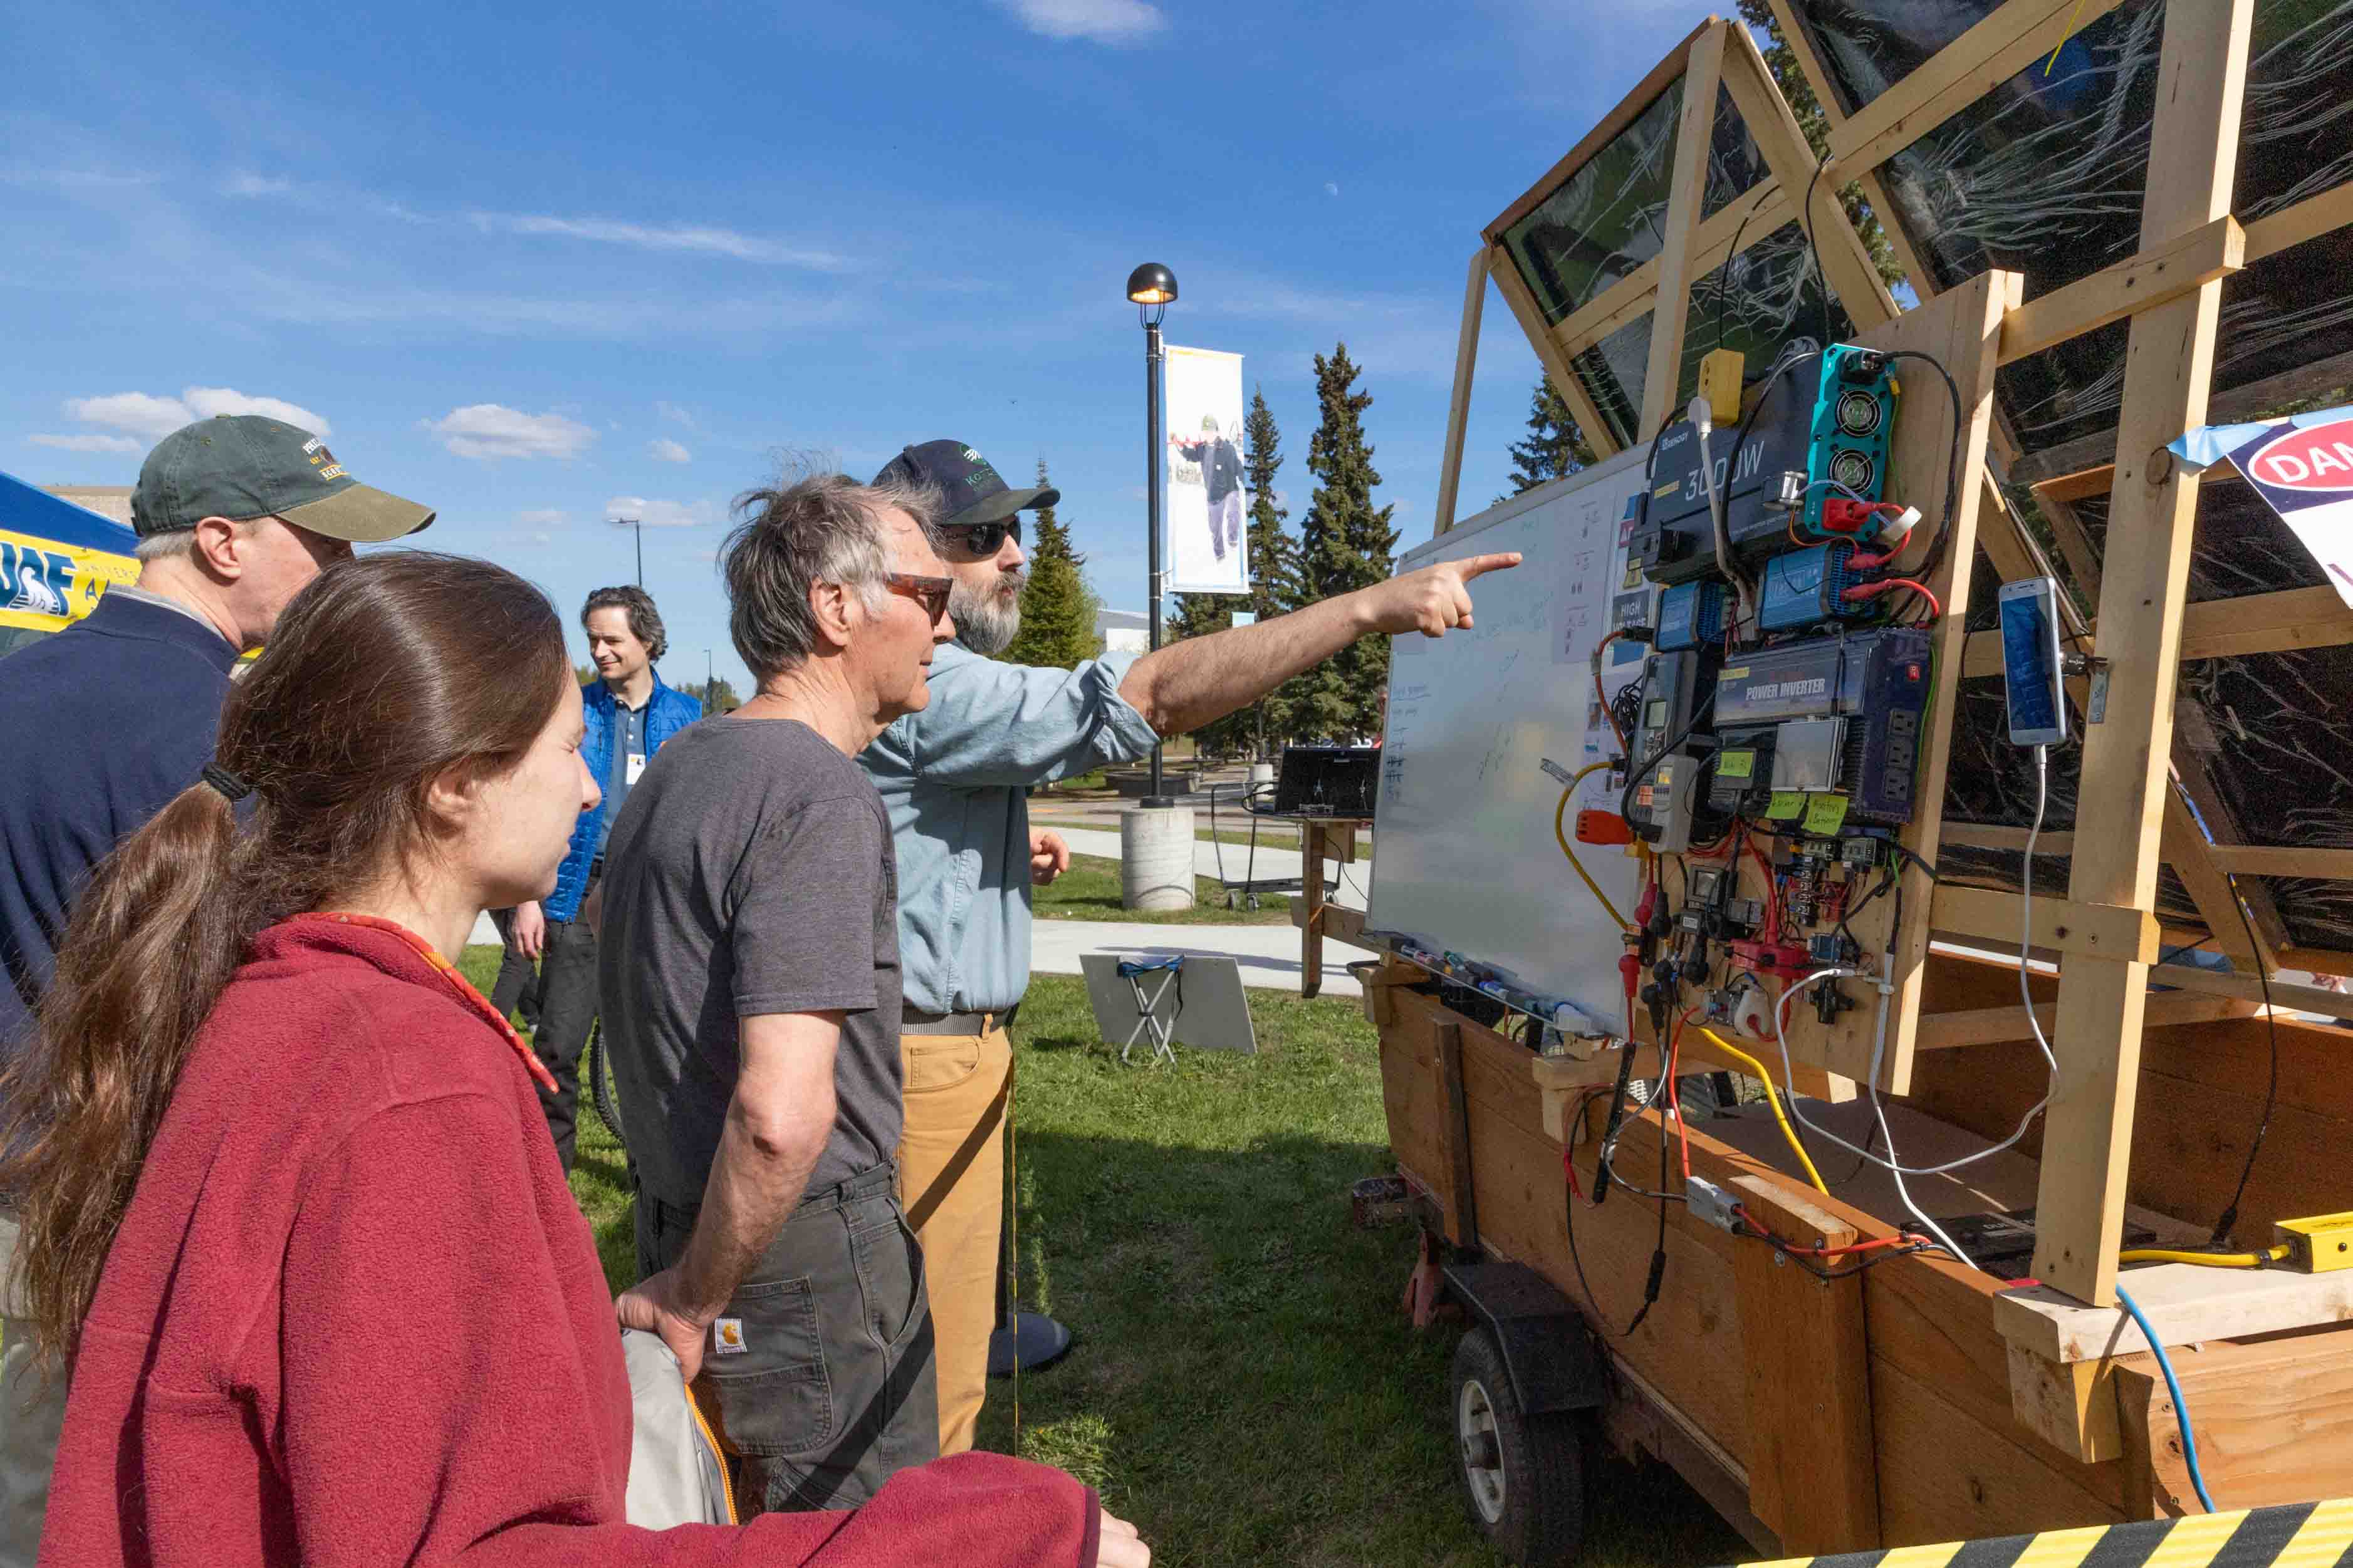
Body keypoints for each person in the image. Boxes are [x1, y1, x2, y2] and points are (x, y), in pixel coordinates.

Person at [0, 552, 1142, 1568]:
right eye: (561, 748)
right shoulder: (404, 1082)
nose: (592, 786)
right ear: (452, 783)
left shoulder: (284, 1001)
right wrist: (1002, 1539)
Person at [862, 438, 1516, 1455]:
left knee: (927, 1361)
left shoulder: (932, 683)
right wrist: (1366, 609)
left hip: (942, 1047)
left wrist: (982, 856)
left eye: (1018, 531)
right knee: (926, 1389)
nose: (1014, 555)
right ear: (910, 553)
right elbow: (1153, 698)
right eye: (985, 535)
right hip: (924, 1061)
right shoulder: (931, 684)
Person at [0, 413, 432, 1567]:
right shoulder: (230, 735)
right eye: (325, 543)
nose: (346, 572)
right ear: (223, 540)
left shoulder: (17, 684)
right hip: (110, 1206)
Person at [600, 470, 964, 1513]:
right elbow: (779, 1114)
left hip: (693, 1221)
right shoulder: (817, 790)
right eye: (930, 598)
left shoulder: (683, 761)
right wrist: (695, 1298)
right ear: (836, 606)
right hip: (792, 1262)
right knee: (860, 1535)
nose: (946, 625)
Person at [507, 585, 699, 1171]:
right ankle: (551, 1182)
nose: (600, 650)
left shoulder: (689, 718)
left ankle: (658, 1175)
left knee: (654, 1048)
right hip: (576, 892)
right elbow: (533, 803)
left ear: (647, 640)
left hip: (654, 898)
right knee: (557, 1044)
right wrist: (527, 898)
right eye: (592, 639)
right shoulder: (572, 713)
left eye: (612, 639)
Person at [1170, 415, 1244, 563]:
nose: (1208, 434)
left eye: (1211, 431)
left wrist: (1242, 480)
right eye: (1206, 432)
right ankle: (1220, 555)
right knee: (1215, 528)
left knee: (1233, 511)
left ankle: (1233, 539)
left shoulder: (1227, 448)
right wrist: (1178, 444)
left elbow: (1237, 466)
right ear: (1203, 433)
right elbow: (1190, 455)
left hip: (1229, 489)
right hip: (1213, 493)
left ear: (1217, 432)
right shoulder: (1201, 449)